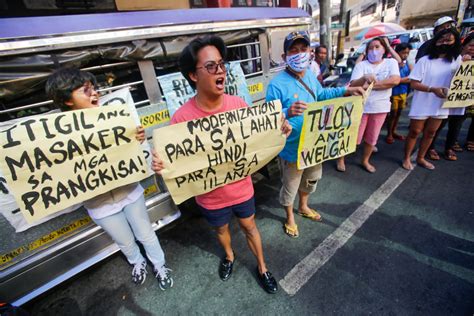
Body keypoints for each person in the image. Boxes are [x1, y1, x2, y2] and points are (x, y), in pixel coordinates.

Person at [151, 35, 291, 294]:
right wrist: (160, 164)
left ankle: (262, 267)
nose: (221, 71)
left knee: (250, 227)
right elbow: (174, 161)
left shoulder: (239, 105)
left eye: (222, 64)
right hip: (210, 198)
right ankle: (229, 255)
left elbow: (259, 139)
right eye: (211, 66)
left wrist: (279, 130)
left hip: (242, 190)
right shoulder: (181, 119)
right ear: (193, 75)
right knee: (221, 230)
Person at [45, 68, 173, 290]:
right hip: (98, 204)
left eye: (94, 88)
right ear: (67, 100)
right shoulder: (54, 136)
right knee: (125, 241)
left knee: (146, 234)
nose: (94, 93)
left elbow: (128, 151)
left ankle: (159, 265)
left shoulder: (114, 119)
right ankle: (138, 263)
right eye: (86, 90)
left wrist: (136, 138)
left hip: (130, 192)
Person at [265, 31, 364, 238]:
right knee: (290, 185)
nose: (299, 54)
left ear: (310, 52)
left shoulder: (310, 75)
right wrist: (286, 112)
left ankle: (304, 206)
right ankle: (289, 215)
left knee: (312, 179)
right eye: (294, 50)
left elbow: (321, 95)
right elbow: (268, 119)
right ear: (285, 57)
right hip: (292, 148)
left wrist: (346, 91)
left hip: (315, 144)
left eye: (303, 49)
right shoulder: (276, 85)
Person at [336, 37, 401, 173]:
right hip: (360, 107)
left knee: (372, 138)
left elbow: (395, 81)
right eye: (371, 48)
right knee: (353, 137)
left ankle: (365, 160)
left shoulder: (391, 63)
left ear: (384, 49)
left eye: (377, 47)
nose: (374, 50)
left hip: (380, 107)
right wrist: (365, 79)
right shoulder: (361, 66)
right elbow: (353, 84)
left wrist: (370, 85)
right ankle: (341, 158)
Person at [402, 28, 462, 170]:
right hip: (423, 101)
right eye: (441, 39)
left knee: (431, 132)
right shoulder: (424, 60)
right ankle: (406, 158)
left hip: (441, 102)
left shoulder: (456, 60)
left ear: (455, 43)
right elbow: (414, 83)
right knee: (415, 131)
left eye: (448, 40)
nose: (444, 42)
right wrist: (432, 89)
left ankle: (421, 157)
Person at [386, 43, 413, 144]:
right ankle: (389, 133)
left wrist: (399, 80)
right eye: (403, 52)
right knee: (393, 114)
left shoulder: (408, 64)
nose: (405, 55)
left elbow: (411, 77)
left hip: (403, 92)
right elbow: (392, 80)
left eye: (407, 53)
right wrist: (402, 80)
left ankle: (394, 131)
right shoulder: (394, 64)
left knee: (399, 113)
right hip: (394, 93)